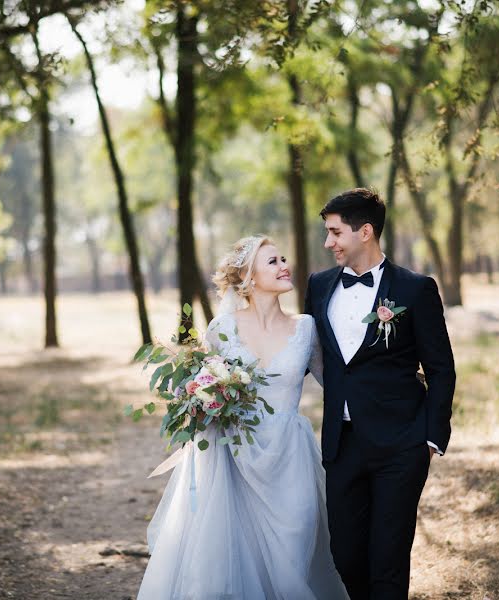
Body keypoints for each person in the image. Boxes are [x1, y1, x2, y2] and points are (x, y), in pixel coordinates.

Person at [138, 235, 349, 600]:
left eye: (283, 258)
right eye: (272, 261)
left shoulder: (306, 328)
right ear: (248, 278)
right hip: (234, 453)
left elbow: (337, 382)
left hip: (289, 455)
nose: (285, 266)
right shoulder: (222, 329)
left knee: (296, 536)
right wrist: (199, 401)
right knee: (234, 551)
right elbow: (203, 384)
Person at [304, 188, 456, 600]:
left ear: (365, 231)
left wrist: (430, 439)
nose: (328, 242)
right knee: (346, 555)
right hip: (342, 444)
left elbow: (441, 369)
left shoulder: (415, 289)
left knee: (388, 561)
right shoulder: (318, 287)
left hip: (401, 446)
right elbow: (308, 354)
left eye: (335, 233)